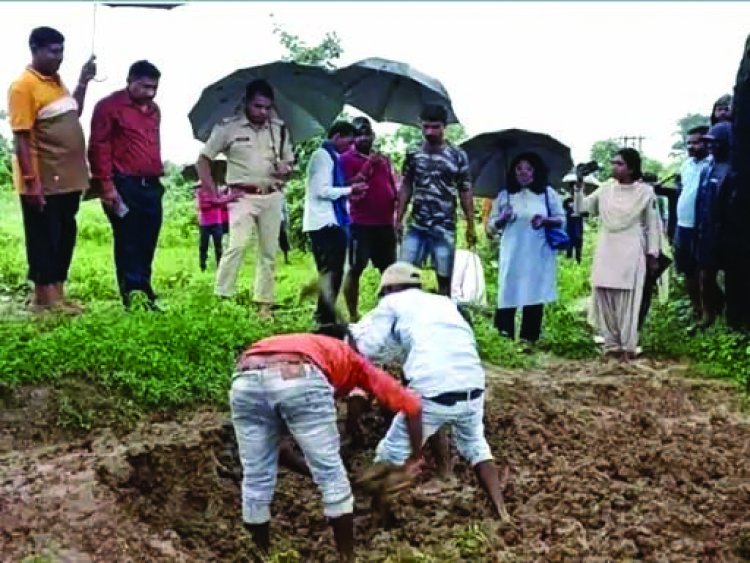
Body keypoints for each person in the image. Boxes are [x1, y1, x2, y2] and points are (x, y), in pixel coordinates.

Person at [230, 328, 422, 562]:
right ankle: (347, 558)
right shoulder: (355, 360)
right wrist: (414, 459)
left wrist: (313, 471)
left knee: (256, 479)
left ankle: (261, 556)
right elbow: (412, 406)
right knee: (333, 478)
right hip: (299, 373)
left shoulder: (314, 346)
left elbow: (280, 451)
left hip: (245, 378)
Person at [352, 262, 508, 519]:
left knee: (389, 452)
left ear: (391, 288)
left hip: (432, 388)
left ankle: (379, 513)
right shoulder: (444, 303)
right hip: (472, 384)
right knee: (476, 446)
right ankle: (502, 511)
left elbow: (368, 347)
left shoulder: (391, 304)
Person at [8, 27, 96, 314]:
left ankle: (57, 294)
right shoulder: (23, 86)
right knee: (43, 237)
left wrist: (83, 81)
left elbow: (73, 113)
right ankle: (44, 299)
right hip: (44, 178)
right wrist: (32, 182)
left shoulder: (56, 83)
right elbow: (21, 137)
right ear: (34, 49)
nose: (59, 57)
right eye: (53, 51)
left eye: (62, 51)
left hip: (68, 179)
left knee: (64, 234)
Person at [197, 80, 295, 320]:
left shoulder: (279, 128)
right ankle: (223, 299)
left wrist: (286, 168)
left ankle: (264, 306)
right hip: (242, 197)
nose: (262, 112)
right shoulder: (228, 128)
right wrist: (214, 195)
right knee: (237, 246)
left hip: (272, 195)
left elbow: (290, 164)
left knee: (268, 253)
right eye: (257, 106)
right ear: (246, 103)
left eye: (267, 107)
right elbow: (203, 161)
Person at [89, 60, 165, 311]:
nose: (150, 93)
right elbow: (99, 148)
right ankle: (132, 297)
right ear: (130, 81)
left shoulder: (154, 110)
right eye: (144, 87)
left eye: (154, 87)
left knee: (148, 241)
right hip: (123, 184)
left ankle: (146, 293)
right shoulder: (109, 107)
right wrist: (107, 187)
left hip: (152, 186)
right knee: (128, 241)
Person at [574, 148, 662, 361]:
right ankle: (611, 344)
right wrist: (578, 187)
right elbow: (583, 209)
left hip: (631, 248)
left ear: (631, 168)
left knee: (628, 299)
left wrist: (653, 254)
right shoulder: (605, 189)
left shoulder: (645, 193)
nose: (614, 166)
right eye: (613, 162)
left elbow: (652, 226)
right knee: (604, 293)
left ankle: (628, 345)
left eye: (619, 163)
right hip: (607, 247)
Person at [397, 104, 476, 296]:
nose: (430, 131)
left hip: (444, 225)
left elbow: (465, 190)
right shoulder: (413, 152)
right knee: (404, 277)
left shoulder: (457, 155)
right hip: (417, 225)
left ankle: (442, 319)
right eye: (426, 127)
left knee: (444, 280)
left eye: (435, 127)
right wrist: (398, 217)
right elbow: (406, 185)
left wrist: (471, 224)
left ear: (444, 127)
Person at [486, 152, 564, 345]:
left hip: (538, 253)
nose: (523, 173)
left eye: (528, 169)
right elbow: (490, 227)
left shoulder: (547, 194)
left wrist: (545, 220)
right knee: (508, 291)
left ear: (536, 172)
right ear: (513, 172)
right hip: (512, 252)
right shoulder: (505, 196)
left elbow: (561, 219)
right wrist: (502, 218)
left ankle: (529, 338)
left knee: (534, 292)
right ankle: (503, 336)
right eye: (518, 168)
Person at [302, 121, 367, 326]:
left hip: (329, 221)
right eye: (348, 141)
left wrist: (351, 186)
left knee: (331, 271)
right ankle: (325, 317)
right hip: (326, 222)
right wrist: (349, 191)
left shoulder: (332, 157)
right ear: (337, 136)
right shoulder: (322, 156)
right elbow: (321, 190)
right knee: (333, 271)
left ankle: (325, 314)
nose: (350, 147)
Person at [341, 116, 398, 321]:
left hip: (385, 223)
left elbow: (392, 184)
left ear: (373, 135)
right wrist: (368, 166)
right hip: (361, 224)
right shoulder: (346, 159)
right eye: (359, 134)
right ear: (353, 138)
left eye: (368, 133)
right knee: (356, 269)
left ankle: (389, 312)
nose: (365, 138)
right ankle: (353, 314)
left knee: (390, 270)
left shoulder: (383, 159)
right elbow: (348, 186)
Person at [694, 122, 732, 330]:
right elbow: (701, 200)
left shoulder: (733, 169)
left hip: (726, 233)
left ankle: (729, 318)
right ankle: (708, 315)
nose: (711, 146)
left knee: (729, 278)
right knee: (705, 276)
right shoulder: (708, 168)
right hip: (706, 231)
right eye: (708, 142)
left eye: (715, 143)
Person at [673, 126, 710, 323]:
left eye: (696, 142)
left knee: (704, 271)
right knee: (687, 270)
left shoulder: (712, 164)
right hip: (683, 225)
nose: (691, 147)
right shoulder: (686, 165)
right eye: (689, 143)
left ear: (707, 142)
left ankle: (709, 312)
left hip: (702, 226)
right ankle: (696, 309)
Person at [196, 184, 235, 271]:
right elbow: (202, 206)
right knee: (203, 246)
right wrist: (217, 202)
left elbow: (224, 204)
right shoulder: (200, 191)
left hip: (217, 222)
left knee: (218, 246)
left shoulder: (218, 191)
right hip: (204, 223)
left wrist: (213, 202)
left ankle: (220, 267)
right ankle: (202, 266)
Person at [563, 195, 584, 263]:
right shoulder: (567, 201)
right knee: (569, 247)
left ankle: (578, 262)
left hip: (578, 229)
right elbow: (564, 210)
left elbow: (586, 213)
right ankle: (569, 263)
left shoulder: (581, 202)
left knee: (578, 248)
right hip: (569, 229)